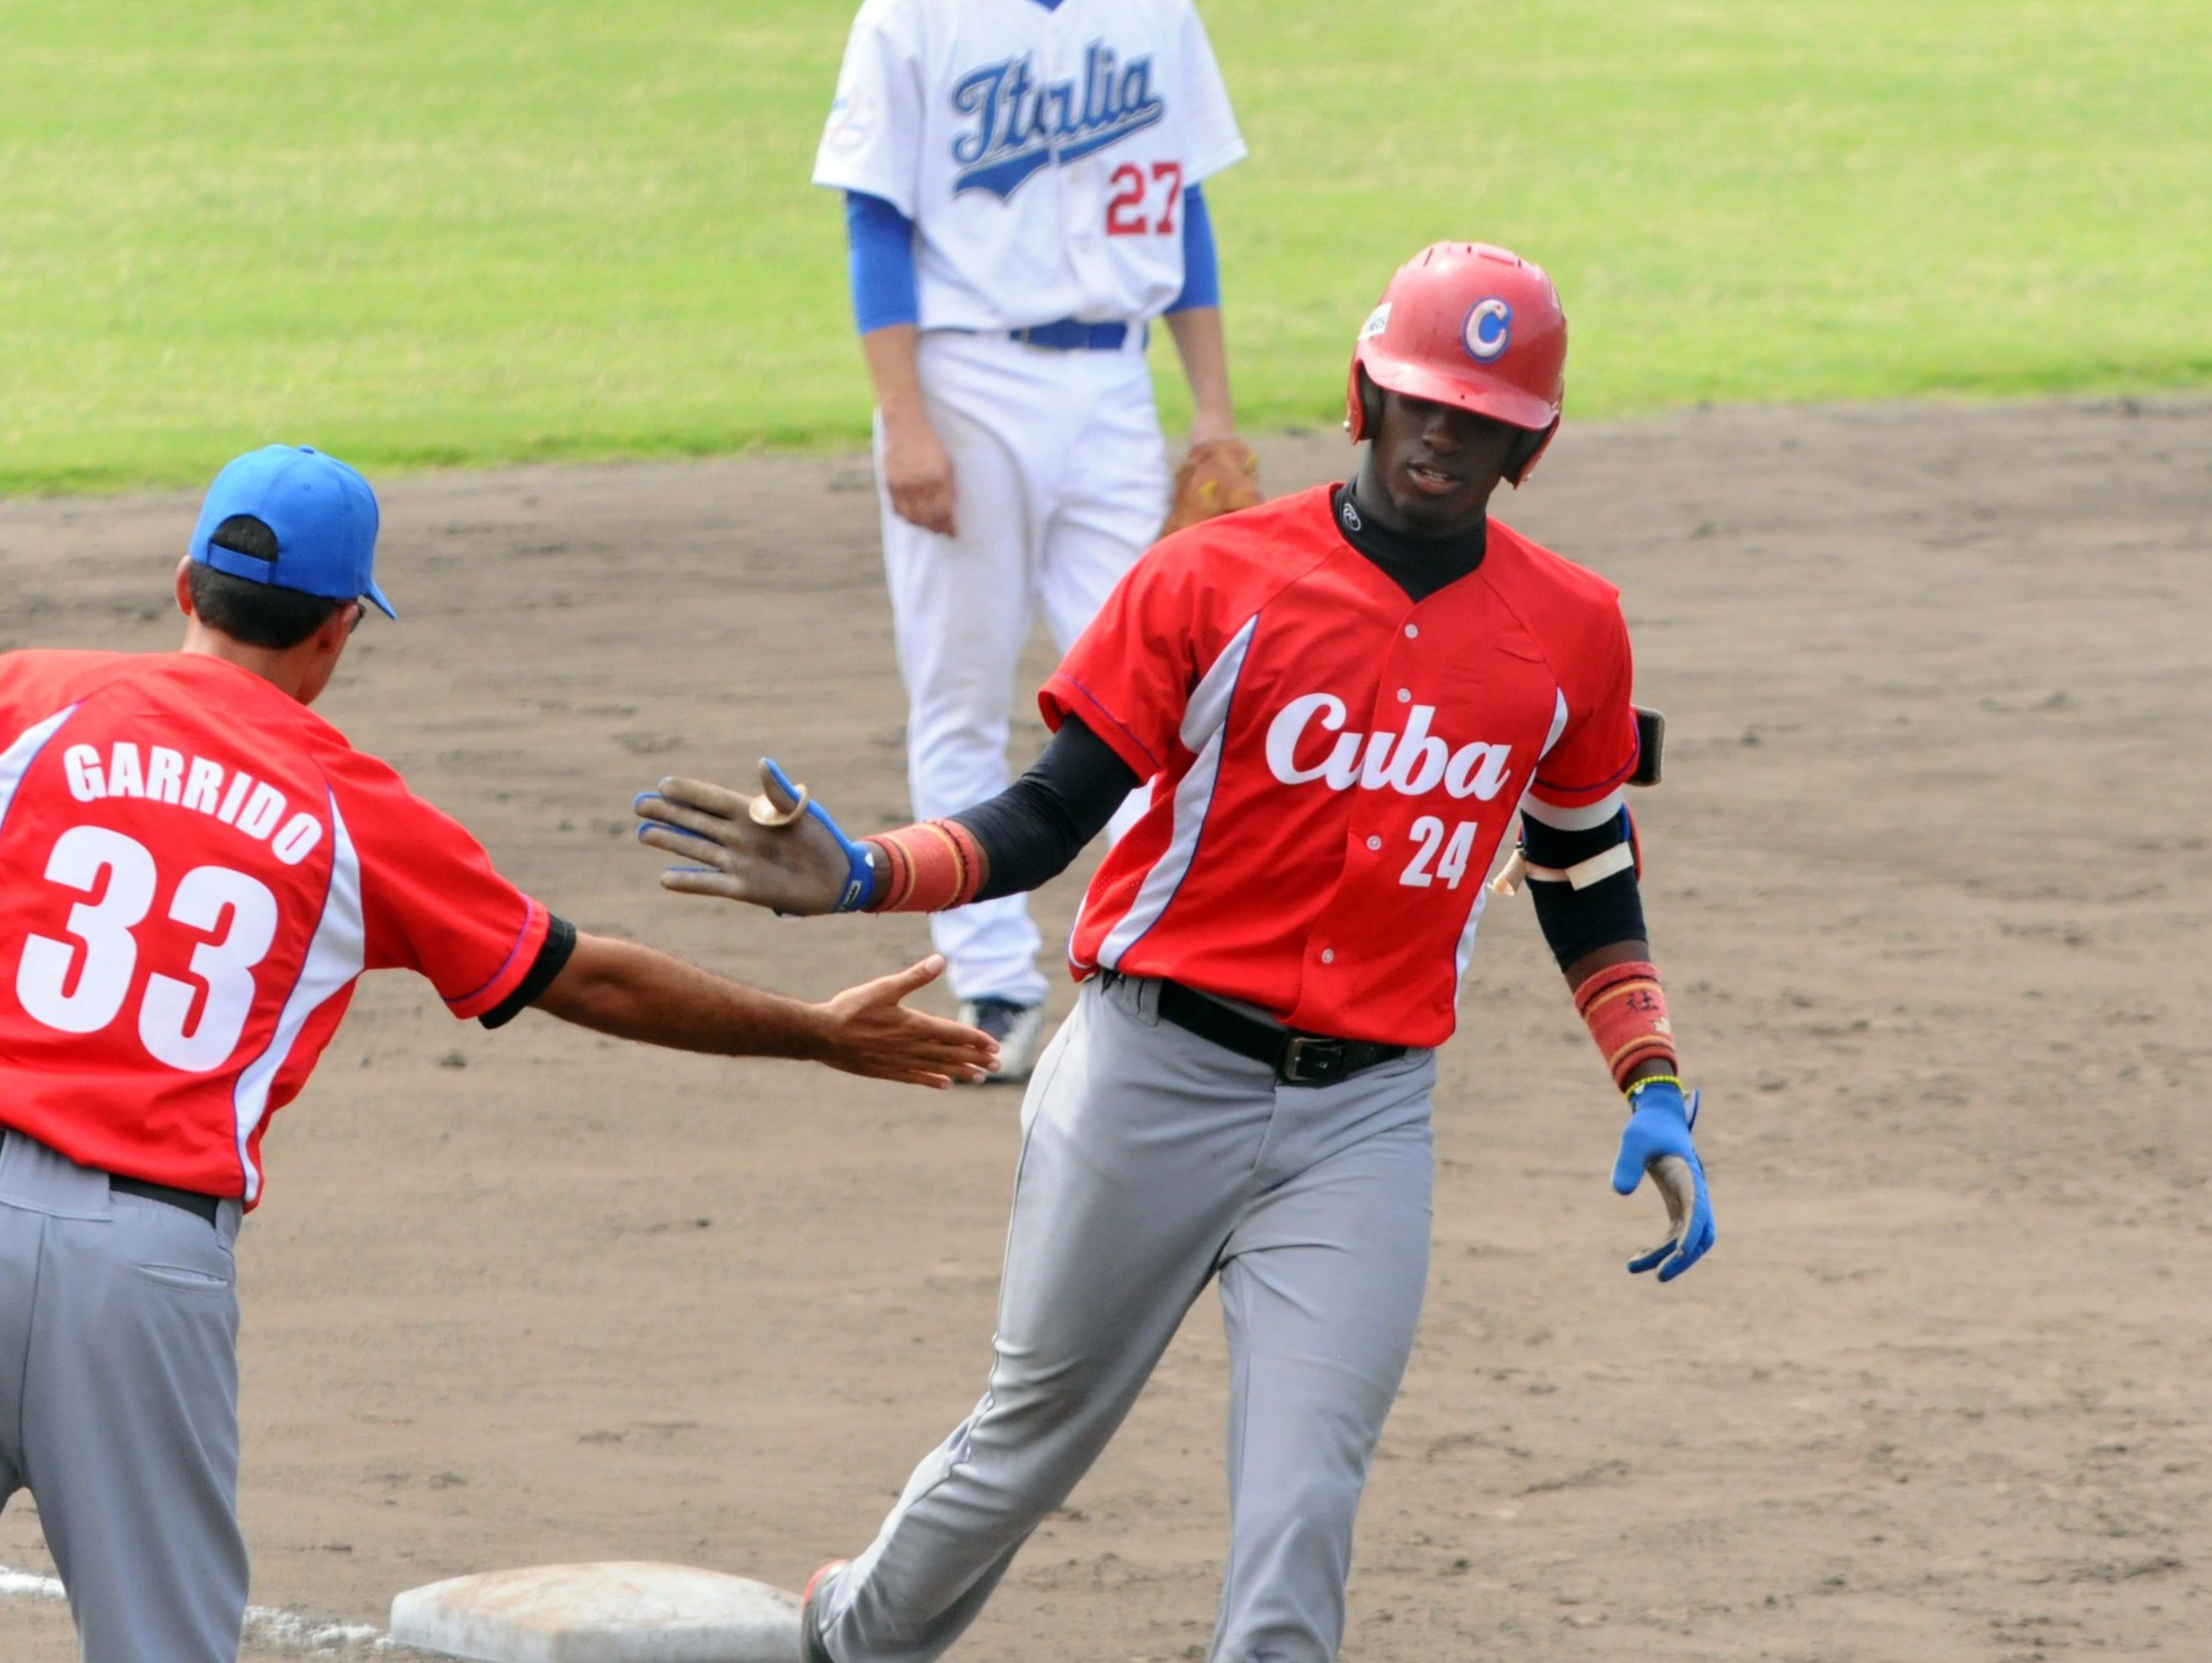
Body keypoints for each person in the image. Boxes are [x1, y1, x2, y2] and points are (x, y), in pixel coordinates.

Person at [637, 243, 1716, 1663]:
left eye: (1481, 417)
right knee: (1028, 1438)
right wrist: (861, 874)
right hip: (1150, 1075)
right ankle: (849, 1635)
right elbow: (1044, 816)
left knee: (1301, 1504)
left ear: (1530, 440)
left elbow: (1579, 856)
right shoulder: (1210, 579)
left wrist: (1646, 1070)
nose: (1443, 436)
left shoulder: (1569, 630)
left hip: (1364, 1119)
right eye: (1420, 403)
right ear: (1363, 397)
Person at [0, 445, 998, 1663]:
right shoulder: (355, 810)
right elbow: (591, 975)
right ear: (338, 630)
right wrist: (817, 1033)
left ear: (182, 587)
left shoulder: (29, 699)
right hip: (142, 1274)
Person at [812, 0, 1253, 1080]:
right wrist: (904, 416)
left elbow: (1182, 202)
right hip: (965, 378)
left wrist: (1212, 412)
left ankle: (1175, 968)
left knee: (1166, 688)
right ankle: (995, 985)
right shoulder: (910, 19)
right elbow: (876, 219)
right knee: (961, 688)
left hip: (1114, 379)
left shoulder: (1157, 14)